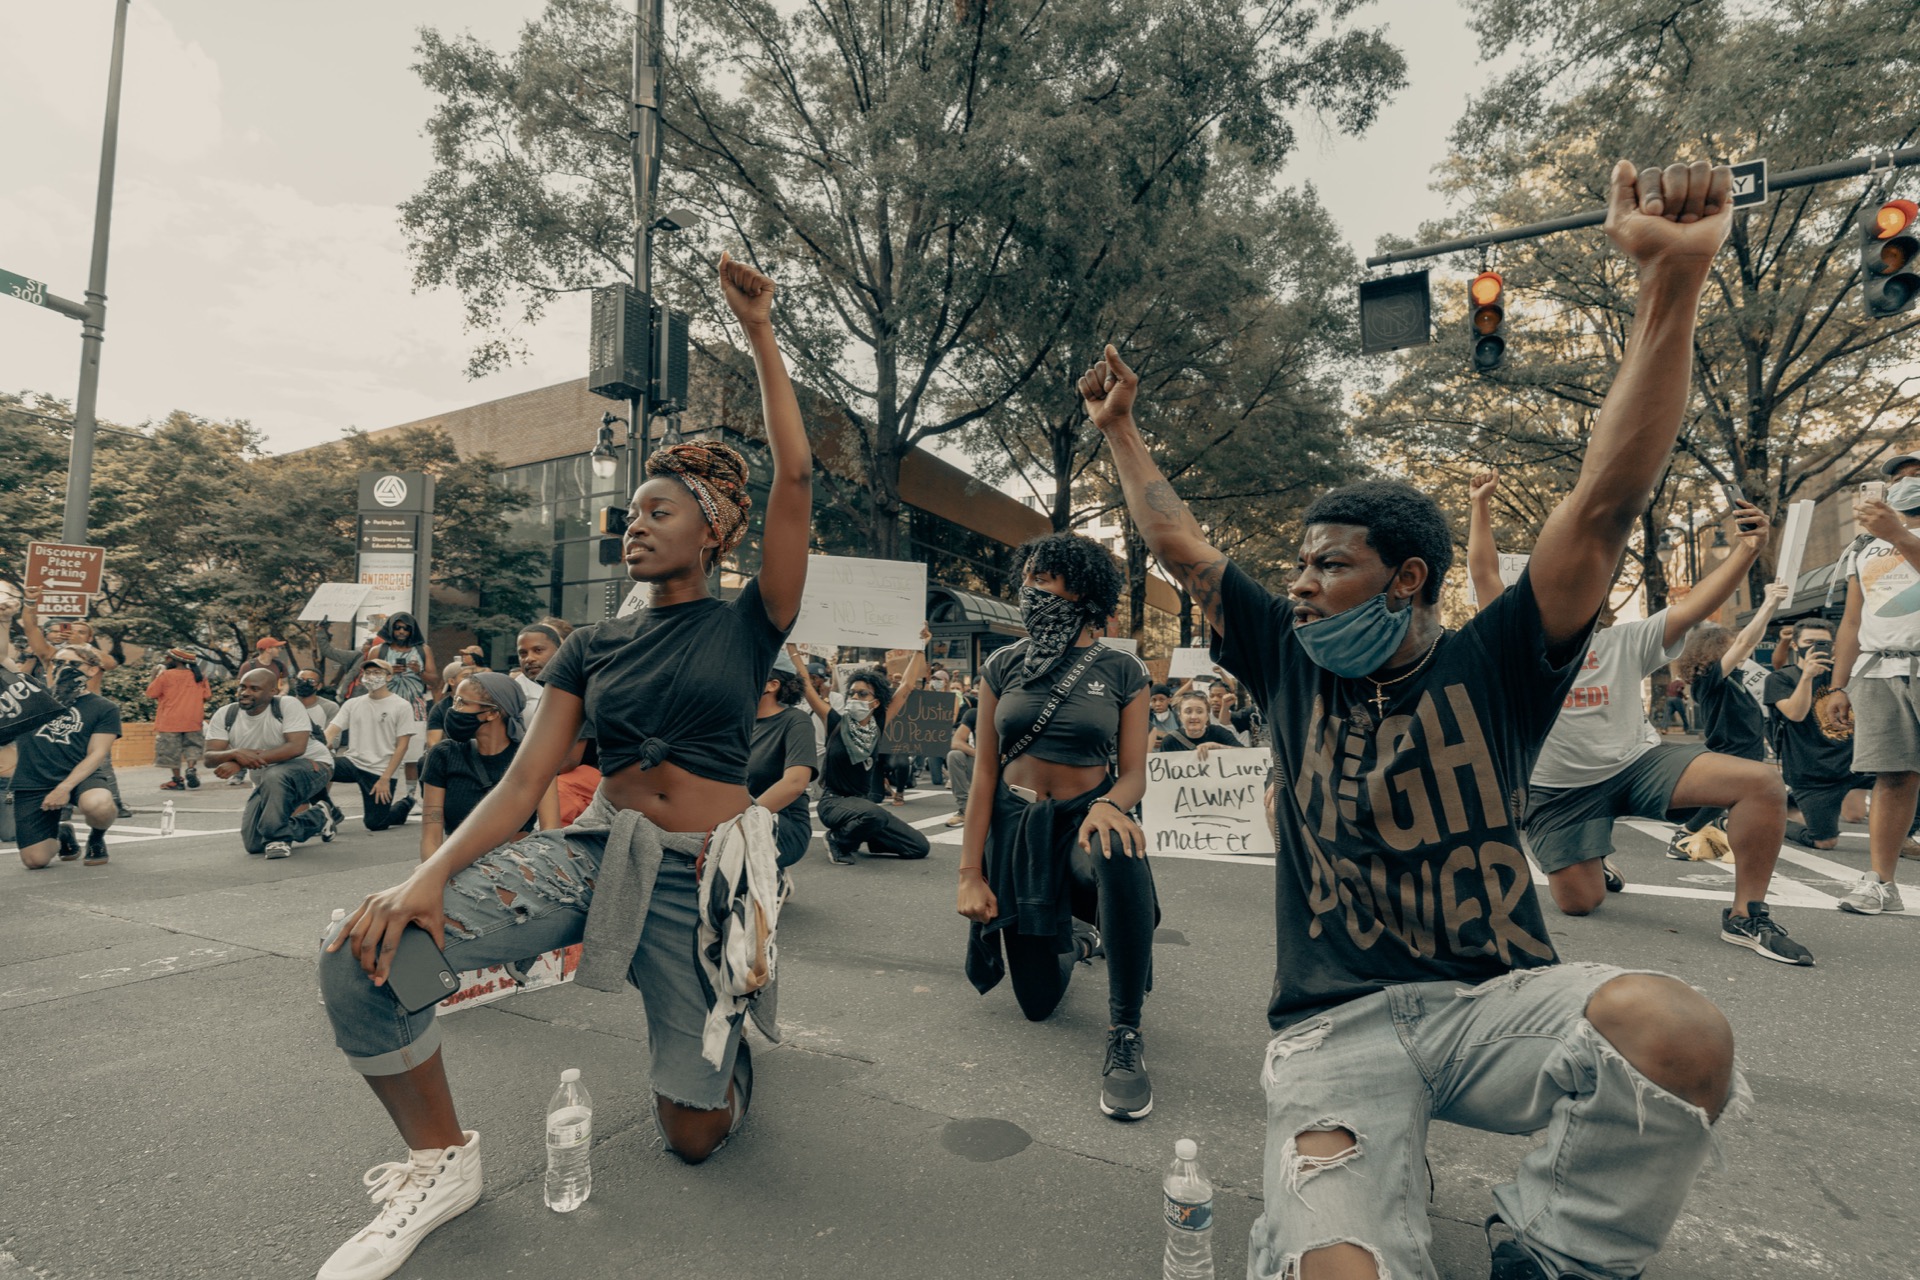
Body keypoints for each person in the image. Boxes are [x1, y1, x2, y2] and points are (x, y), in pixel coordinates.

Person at [1092, 161, 1751, 1280]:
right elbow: (1180, 545)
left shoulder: (1499, 660)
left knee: (1681, 1031)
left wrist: (1672, 286)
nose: (1296, 584)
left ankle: (1552, 1248)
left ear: (1404, 580)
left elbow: (1603, 499)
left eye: (1327, 565)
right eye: (1295, 565)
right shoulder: (1284, 660)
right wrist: (1118, 429)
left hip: (1491, 1009)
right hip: (1333, 1030)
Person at [315, 252, 811, 1280]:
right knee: (363, 947)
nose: (634, 522)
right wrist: (427, 875)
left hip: (704, 871)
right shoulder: (593, 645)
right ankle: (439, 1158)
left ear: (716, 531)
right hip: (595, 851)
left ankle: (725, 1060)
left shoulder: (750, 621)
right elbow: (521, 784)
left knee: (691, 1136)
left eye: (659, 509)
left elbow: (796, 481)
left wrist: (761, 332)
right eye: (629, 511)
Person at [1520, 499, 1810, 962]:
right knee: (1579, 902)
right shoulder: (1514, 650)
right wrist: (1479, 510)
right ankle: (1589, 854)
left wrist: (1747, 550)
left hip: (1637, 765)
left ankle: (1746, 914)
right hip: (1559, 791)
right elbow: (1486, 579)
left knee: (1762, 783)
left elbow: (1696, 604)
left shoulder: (1623, 641)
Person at [957, 531, 1155, 1120]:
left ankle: (1125, 1034)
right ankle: (1075, 933)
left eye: (1044, 578)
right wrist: (970, 872)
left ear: (1083, 588)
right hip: (1019, 826)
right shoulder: (1002, 664)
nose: (1030, 590)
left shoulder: (1124, 669)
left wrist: (1111, 804)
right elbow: (984, 776)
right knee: (1038, 1004)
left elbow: (1136, 773)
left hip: (1088, 821)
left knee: (1118, 850)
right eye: (1030, 577)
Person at [1822, 463, 1920, 915]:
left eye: (1917, 473)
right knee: (1893, 774)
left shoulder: (1897, 536)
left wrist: (1899, 533)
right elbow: (1852, 621)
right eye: (1898, 477)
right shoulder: (1864, 547)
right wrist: (1837, 686)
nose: (1906, 483)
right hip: (1878, 670)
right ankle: (1881, 882)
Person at [1666, 582, 1790, 860]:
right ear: (1714, 652)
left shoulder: (1734, 678)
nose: (1739, 647)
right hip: (1731, 749)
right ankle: (1685, 834)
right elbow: (1747, 641)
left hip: (1746, 749)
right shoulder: (1710, 680)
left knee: (1738, 798)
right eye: (1730, 645)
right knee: (1726, 797)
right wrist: (1770, 603)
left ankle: (1720, 830)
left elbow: (1748, 642)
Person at [794, 637, 932, 865]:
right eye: (853, 693)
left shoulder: (878, 725)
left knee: (918, 847)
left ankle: (869, 835)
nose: (855, 698)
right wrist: (792, 648)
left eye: (863, 694)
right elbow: (807, 686)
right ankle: (838, 839)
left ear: (876, 702)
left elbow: (906, 686)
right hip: (833, 803)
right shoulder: (835, 722)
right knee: (873, 814)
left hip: (862, 805)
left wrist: (920, 646)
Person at [1762, 617, 1873, 853]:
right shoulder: (1780, 679)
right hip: (1813, 773)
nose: (1815, 647)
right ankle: (1776, 820)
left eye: (1822, 643)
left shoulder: (1843, 675)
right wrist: (1807, 676)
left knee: (1905, 779)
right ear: (1795, 645)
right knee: (1824, 841)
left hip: (1854, 764)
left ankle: (1907, 834)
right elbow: (1796, 713)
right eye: (1809, 642)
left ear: (1833, 646)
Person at [205, 669, 340, 859]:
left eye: (254, 688)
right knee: (253, 843)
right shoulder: (226, 714)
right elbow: (210, 757)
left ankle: (278, 839)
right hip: (269, 779)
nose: (245, 692)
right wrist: (235, 754)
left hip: (313, 767)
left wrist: (239, 764)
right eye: (242, 687)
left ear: (272, 692)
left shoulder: (287, 705)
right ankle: (318, 817)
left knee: (275, 774)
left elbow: (296, 748)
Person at [14, 645, 120, 869]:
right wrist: (4, 621)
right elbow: (4, 660)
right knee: (35, 861)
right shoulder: (31, 697)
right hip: (33, 780)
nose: (64, 668)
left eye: (74, 664)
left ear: (92, 670)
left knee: (99, 804)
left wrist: (64, 788)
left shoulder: (104, 708)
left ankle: (97, 837)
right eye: (59, 663)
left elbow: (97, 753)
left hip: (79, 777)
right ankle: (62, 833)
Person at [419, 672, 535, 861]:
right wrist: (431, 877)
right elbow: (430, 836)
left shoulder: (530, 757)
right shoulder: (443, 755)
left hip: (517, 867)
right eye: (454, 701)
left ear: (492, 713)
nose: (453, 710)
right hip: (458, 865)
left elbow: (550, 827)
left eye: (462, 703)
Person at [324, 659, 421, 832]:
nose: (371, 676)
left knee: (376, 823)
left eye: (377, 672)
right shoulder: (353, 703)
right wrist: (322, 745)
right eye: (368, 673)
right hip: (352, 762)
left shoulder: (401, 706)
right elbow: (332, 730)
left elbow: (402, 746)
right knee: (314, 768)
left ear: (389, 677)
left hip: (379, 770)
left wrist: (385, 779)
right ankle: (330, 810)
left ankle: (405, 804)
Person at [749, 651, 818, 868]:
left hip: (782, 822)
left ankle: (768, 878)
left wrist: (740, 822)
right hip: (733, 816)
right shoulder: (736, 723)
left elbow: (795, 783)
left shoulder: (796, 722)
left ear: (772, 685)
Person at [148, 647, 211, 791]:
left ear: (173, 660)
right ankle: (191, 769)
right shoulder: (199, 676)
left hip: (170, 720)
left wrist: (154, 676)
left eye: (167, 658)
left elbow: (152, 693)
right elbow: (207, 696)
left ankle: (177, 781)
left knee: (172, 752)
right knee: (193, 746)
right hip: (193, 719)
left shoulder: (166, 675)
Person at [1155, 691, 1241, 752]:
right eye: (1188, 712)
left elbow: (1246, 754)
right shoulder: (1170, 741)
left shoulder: (1220, 733)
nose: (1194, 716)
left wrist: (1218, 747)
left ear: (1207, 716)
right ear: (1180, 716)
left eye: (1199, 712)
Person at [512, 622, 566, 719]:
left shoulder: (581, 686)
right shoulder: (515, 689)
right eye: (523, 653)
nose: (529, 658)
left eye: (538, 650)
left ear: (559, 651)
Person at [944, 693, 978, 828]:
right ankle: (965, 809)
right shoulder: (974, 714)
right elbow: (956, 741)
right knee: (954, 756)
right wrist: (979, 755)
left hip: (1007, 767)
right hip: (981, 764)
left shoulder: (1013, 714)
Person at [423, 660, 466, 750]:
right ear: (451, 681)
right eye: (466, 676)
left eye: (473, 675)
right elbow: (433, 743)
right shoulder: (440, 709)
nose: (471, 679)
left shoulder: (483, 705)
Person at [295, 667, 342, 735]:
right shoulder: (284, 704)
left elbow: (333, 741)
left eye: (311, 681)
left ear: (319, 686)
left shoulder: (330, 707)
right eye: (300, 680)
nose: (304, 684)